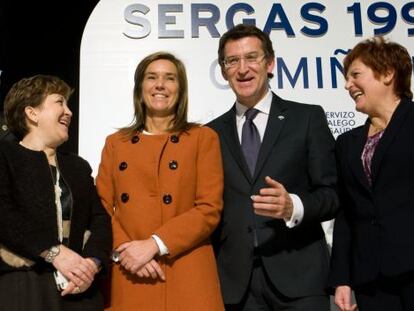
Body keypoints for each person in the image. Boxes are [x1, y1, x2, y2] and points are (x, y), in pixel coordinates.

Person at [207, 24, 339, 310]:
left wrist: (294, 206)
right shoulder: (209, 134)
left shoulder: (306, 118)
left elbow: (331, 195)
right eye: (233, 61)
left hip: (300, 278)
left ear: (270, 63)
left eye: (252, 57)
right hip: (236, 286)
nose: (243, 69)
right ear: (223, 70)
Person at [96, 52, 224, 311]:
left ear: (181, 89)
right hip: (131, 269)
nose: (160, 85)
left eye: (170, 78)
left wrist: (155, 244)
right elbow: (101, 206)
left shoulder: (203, 138)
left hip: (186, 269)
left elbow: (209, 209)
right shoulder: (116, 143)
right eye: (151, 77)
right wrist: (126, 251)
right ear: (140, 87)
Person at [0, 74, 112, 311]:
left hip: (79, 289)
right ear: (32, 113)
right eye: (60, 102)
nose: (69, 112)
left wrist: (91, 264)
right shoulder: (5, 156)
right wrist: (54, 252)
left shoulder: (78, 167)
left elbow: (100, 220)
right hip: (25, 287)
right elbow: (3, 214)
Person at [329, 37, 414, 311]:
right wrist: (342, 278)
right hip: (371, 278)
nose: (347, 85)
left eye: (355, 75)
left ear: (388, 73)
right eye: (346, 77)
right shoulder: (347, 143)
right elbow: (346, 215)